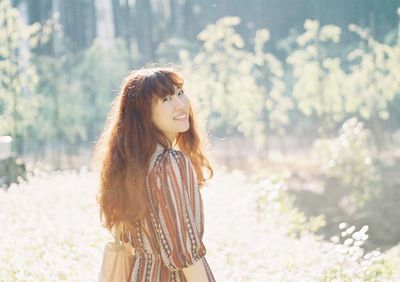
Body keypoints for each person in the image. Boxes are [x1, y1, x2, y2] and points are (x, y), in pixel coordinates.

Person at [92, 66, 216, 281]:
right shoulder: (170, 163)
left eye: (180, 93)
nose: (180, 105)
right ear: (144, 113)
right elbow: (186, 253)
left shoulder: (131, 168)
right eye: (166, 99)